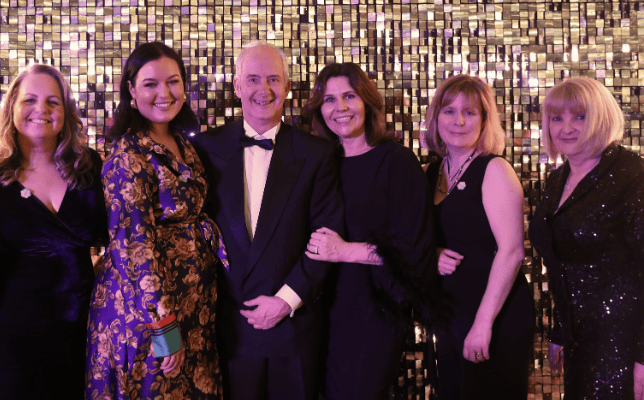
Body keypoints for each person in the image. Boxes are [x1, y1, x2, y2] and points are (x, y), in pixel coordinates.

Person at [192, 42, 345, 400]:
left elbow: (327, 235)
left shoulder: (318, 154)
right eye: (254, 79)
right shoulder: (204, 149)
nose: (265, 90)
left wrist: (287, 300)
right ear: (237, 86)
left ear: (288, 87)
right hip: (227, 328)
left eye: (274, 79)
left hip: (293, 329)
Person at [85, 41, 228, 400]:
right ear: (131, 91)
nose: (164, 93)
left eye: (174, 81)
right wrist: (165, 328)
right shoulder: (127, 152)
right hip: (147, 318)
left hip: (193, 309)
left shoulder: (184, 142)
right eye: (151, 84)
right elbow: (134, 246)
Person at [0, 64, 106, 400]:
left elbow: (125, 244)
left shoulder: (90, 167)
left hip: (80, 331)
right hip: (5, 335)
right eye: (30, 100)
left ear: (66, 112)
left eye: (53, 102)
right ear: (11, 107)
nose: (42, 110)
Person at [301, 62, 438, 399]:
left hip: (371, 313)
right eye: (330, 99)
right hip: (317, 312)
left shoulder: (397, 161)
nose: (341, 108)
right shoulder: (318, 162)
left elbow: (415, 250)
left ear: (368, 101)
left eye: (349, 96)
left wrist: (344, 250)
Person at [529, 77, 644, 399]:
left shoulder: (632, 174)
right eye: (557, 118)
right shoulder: (557, 180)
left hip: (623, 342)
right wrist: (560, 330)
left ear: (602, 118)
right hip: (578, 338)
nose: (566, 128)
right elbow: (562, 265)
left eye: (579, 116)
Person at [421, 74, 534, 399]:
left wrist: (483, 324)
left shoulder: (494, 168)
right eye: (449, 111)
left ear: (485, 121)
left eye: (470, 112)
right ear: (436, 117)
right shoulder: (431, 173)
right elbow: (415, 237)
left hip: (494, 313)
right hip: (450, 312)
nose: (458, 120)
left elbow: (512, 252)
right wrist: (432, 252)